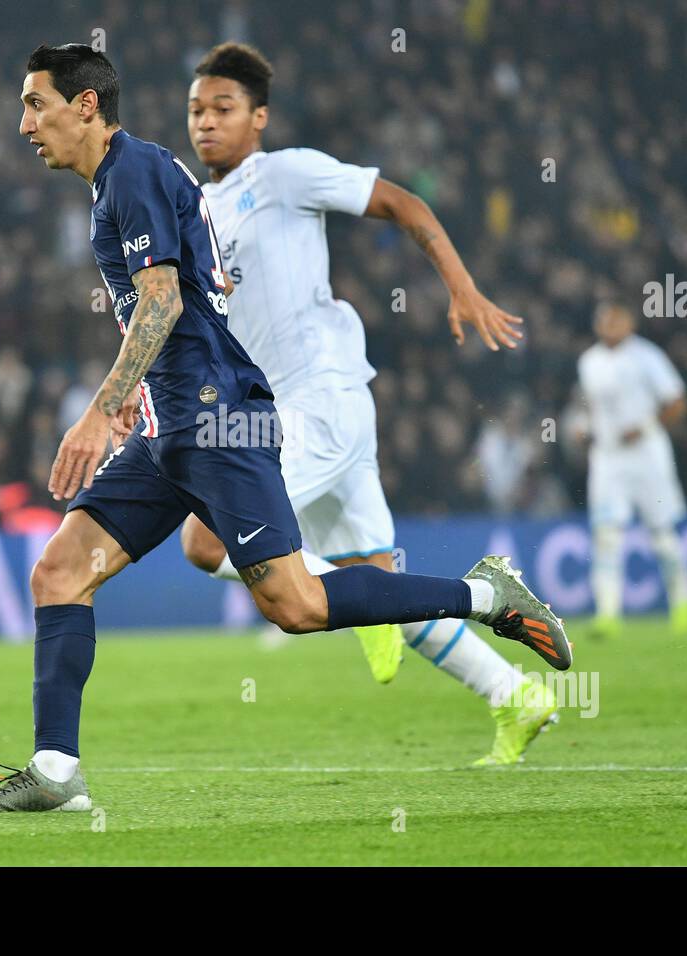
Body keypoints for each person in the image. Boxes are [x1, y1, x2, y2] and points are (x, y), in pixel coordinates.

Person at [0, 44, 569, 814]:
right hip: (172, 424)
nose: (24, 126)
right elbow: (178, 298)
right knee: (59, 572)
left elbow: (162, 302)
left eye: (35, 105)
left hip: (218, 419)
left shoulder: (135, 172)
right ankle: (55, 771)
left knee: (298, 605)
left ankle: (486, 595)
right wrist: (137, 399)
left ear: (84, 107)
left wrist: (101, 407)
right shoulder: (126, 180)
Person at [177, 42, 557, 767]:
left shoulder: (285, 173)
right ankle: (515, 694)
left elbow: (401, 203)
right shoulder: (197, 208)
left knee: (205, 539)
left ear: (259, 118)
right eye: (196, 110)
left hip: (319, 399)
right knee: (381, 589)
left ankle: (417, 602)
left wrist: (461, 286)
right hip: (284, 409)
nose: (206, 122)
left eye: (224, 108)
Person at [575, 302, 687, 639]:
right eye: (605, 321)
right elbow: (589, 405)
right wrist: (584, 427)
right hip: (607, 457)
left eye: (617, 320)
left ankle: (682, 603)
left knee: (662, 534)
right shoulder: (588, 361)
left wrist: (644, 427)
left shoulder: (647, 356)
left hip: (647, 454)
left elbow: (677, 402)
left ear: (630, 323)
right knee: (606, 535)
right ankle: (607, 614)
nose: (611, 326)